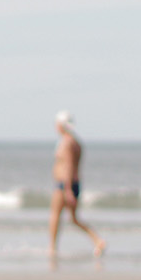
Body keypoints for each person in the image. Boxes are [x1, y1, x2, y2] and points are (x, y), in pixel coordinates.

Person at [50, 110, 105, 258]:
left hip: (64, 184)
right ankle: (97, 239)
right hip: (73, 183)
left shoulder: (67, 143)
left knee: (56, 216)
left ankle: (52, 248)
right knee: (73, 218)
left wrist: (67, 189)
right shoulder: (76, 142)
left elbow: (68, 166)